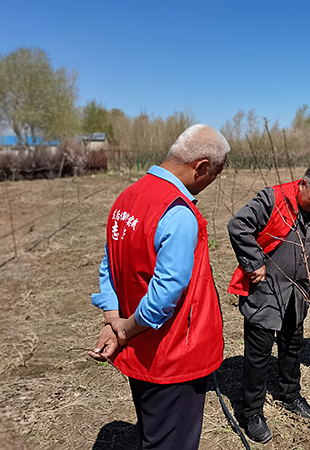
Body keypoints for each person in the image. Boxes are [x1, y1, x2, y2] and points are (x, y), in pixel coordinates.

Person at [88, 124, 229, 449]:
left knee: (154, 431)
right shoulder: (178, 213)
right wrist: (124, 330)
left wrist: (113, 319)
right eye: (214, 176)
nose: (210, 183)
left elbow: (109, 264)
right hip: (174, 355)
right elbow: (167, 291)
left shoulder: (127, 198)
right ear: (202, 167)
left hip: (140, 352)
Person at [227, 164, 310, 444]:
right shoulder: (273, 199)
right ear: (302, 184)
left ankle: (291, 395)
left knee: (292, 346)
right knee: (258, 356)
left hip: (298, 292)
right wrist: (253, 264)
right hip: (266, 292)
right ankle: (252, 412)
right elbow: (238, 225)